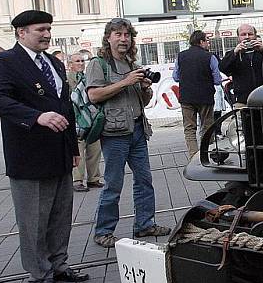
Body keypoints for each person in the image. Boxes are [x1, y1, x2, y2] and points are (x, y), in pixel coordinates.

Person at [0, 10, 88, 283]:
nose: (46, 34)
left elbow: (65, 106)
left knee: (60, 215)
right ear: (21, 32)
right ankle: (39, 273)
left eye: (48, 29)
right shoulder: (5, 61)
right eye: (40, 29)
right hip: (28, 156)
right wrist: (35, 117)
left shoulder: (54, 62)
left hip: (59, 154)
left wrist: (72, 147)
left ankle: (59, 265)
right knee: (34, 219)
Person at [85, 18, 170, 248]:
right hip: (114, 134)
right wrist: (126, 82)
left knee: (144, 181)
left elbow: (142, 101)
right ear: (108, 37)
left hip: (138, 130)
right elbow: (94, 95)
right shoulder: (98, 63)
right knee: (113, 184)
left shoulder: (131, 63)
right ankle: (103, 232)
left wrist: (144, 89)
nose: (123, 39)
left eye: (127, 35)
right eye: (118, 35)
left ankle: (144, 224)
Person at [173, 30, 221, 159]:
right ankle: (206, 153)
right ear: (201, 42)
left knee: (189, 128)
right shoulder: (210, 57)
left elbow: (176, 77)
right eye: (207, 40)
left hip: (186, 97)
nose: (208, 43)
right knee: (207, 126)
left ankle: (193, 156)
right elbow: (217, 80)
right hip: (206, 97)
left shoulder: (181, 56)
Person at [66, 53, 103, 192]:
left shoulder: (89, 78)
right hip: (76, 120)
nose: (81, 63)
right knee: (78, 150)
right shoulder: (67, 80)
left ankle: (94, 179)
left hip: (92, 119)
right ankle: (78, 180)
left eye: (82, 61)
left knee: (94, 148)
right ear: (70, 65)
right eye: (77, 61)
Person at [218, 23, 263, 109]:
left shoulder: (262, 52)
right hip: (242, 101)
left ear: (255, 35)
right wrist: (234, 53)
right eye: (243, 34)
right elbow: (222, 67)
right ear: (238, 37)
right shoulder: (233, 54)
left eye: (250, 34)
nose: (247, 37)